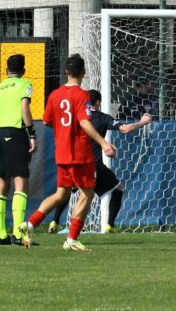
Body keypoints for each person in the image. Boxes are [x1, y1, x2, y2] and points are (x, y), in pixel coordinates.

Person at [18, 54, 116, 251]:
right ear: (83, 72)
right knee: (87, 193)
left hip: (62, 153)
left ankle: (28, 225)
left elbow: (47, 121)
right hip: (79, 153)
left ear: (66, 72)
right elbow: (84, 122)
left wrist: (64, 132)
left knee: (61, 194)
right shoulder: (82, 96)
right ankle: (72, 239)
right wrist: (104, 142)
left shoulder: (54, 95)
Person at [48, 89, 152, 234]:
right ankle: (109, 225)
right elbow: (126, 129)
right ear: (98, 102)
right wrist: (143, 122)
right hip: (92, 164)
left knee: (67, 191)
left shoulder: (77, 117)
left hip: (73, 161)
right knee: (118, 188)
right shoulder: (103, 118)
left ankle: (55, 221)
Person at [0, 55, 37, 245]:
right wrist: (32, 134)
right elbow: (24, 106)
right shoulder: (24, 84)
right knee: (21, 183)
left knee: (2, 183)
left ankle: (1, 235)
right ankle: (18, 235)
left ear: (6, 70)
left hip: (1, 134)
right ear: (23, 70)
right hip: (16, 133)